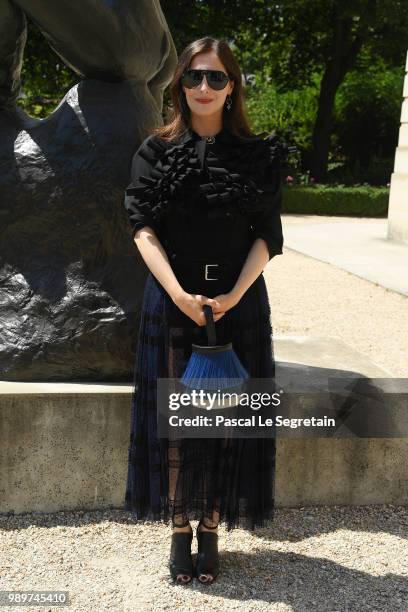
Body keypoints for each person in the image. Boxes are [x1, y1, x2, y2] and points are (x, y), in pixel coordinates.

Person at [123, 36, 294, 585]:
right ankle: (179, 528)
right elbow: (142, 229)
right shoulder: (153, 151)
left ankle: (213, 526)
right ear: (180, 84)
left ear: (233, 85)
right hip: (171, 301)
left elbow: (267, 235)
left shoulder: (259, 155)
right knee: (177, 425)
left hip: (237, 304)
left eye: (215, 77)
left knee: (223, 422)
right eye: (194, 77)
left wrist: (234, 296)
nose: (203, 87)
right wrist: (177, 293)